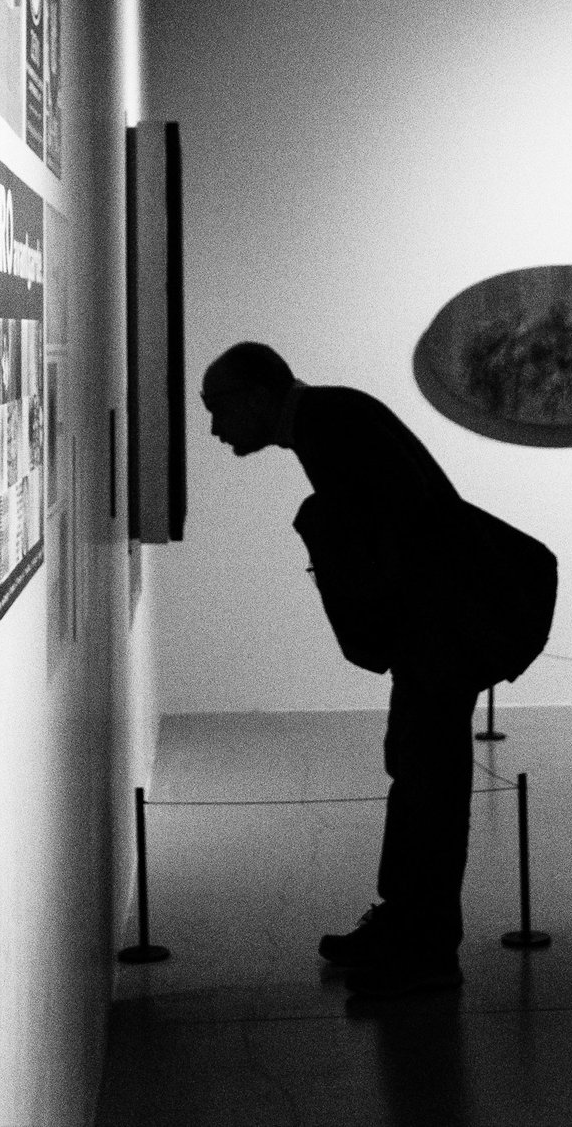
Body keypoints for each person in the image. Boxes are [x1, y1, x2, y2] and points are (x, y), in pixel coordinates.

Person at [201, 342, 482, 997]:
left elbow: (398, 530)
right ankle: (405, 924)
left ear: (256, 396)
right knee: (417, 771)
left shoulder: (329, 424)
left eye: (218, 408)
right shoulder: (328, 418)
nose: (215, 428)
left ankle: (423, 943)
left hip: (437, 630)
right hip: (435, 627)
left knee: (428, 779)